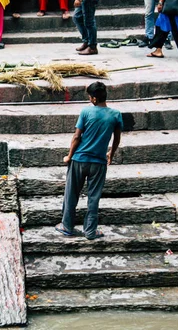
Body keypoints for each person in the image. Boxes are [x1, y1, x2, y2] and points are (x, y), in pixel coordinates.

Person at [55, 81, 123, 240]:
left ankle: (67, 226)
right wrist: (110, 155)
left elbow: (77, 137)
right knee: (94, 198)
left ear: (93, 99)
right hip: (99, 163)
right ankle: (90, 231)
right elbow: (117, 139)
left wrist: (69, 156)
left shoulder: (86, 112)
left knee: (71, 194)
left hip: (79, 160)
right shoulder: (115, 115)